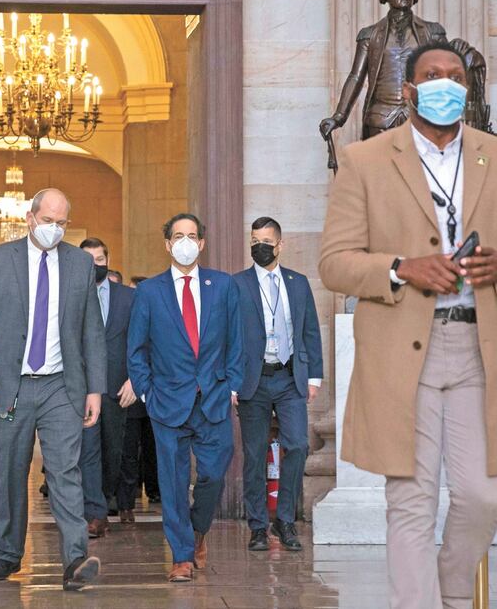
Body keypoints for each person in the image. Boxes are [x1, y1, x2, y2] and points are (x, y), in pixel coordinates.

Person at [319, 42, 497, 609]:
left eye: (455, 76)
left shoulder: (492, 155)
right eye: (432, 75)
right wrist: (400, 268)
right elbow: (334, 263)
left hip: (478, 347)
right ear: (412, 89)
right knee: (412, 500)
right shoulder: (365, 160)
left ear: (467, 90)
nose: (445, 84)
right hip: (402, 350)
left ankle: (449, 595)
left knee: (480, 497)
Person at [0, 188, 107, 591]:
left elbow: (91, 329)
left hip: (63, 386)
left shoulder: (80, 263)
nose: (55, 230)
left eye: (62, 223)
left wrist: (95, 388)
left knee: (65, 470)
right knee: (9, 471)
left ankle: (75, 559)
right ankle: (8, 554)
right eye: (48, 221)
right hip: (11, 386)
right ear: (30, 218)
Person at [127, 213, 243, 582]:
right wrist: (146, 391)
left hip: (213, 400)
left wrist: (233, 385)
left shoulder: (223, 286)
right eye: (178, 235)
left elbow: (237, 341)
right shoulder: (149, 291)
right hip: (167, 403)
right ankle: (181, 556)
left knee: (212, 474)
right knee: (174, 483)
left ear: (202, 243)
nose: (186, 241)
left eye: (192, 235)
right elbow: (137, 349)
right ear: (167, 244)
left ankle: (197, 531)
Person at [233, 217, 324, 552]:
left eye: (267, 240)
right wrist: (230, 381)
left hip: (289, 377)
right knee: (255, 454)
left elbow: (311, 331)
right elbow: (229, 334)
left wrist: (314, 376)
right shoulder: (238, 284)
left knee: (298, 445)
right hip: (252, 380)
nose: (260, 246)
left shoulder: (298, 283)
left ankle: (284, 520)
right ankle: (258, 526)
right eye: (255, 240)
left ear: (280, 245)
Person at [319, 0, 446, 141]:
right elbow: (356, 77)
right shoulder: (369, 35)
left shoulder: (432, 33)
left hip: (421, 116)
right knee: (379, 167)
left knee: (420, 168)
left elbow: (450, 73)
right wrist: (338, 117)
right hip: (381, 118)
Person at [77, 237, 135, 537]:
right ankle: (94, 513)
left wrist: (135, 380)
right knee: (87, 450)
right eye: (88, 261)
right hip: (80, 389)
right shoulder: (69, 296)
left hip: (117, 389)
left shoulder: (128, 298)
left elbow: (143, 343)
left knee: (113, 452)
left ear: (107, 261)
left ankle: (105, 497)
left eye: (99, 261)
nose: (95, 266)